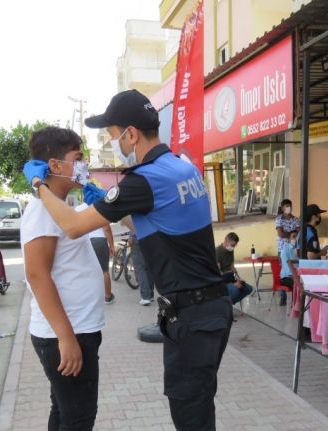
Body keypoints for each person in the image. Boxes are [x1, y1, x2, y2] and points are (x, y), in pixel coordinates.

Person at [23, 89, 232, 430]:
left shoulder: (143, 180)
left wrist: (38, 184)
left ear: (131, 134)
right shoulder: (181, 166)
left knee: (191, 415)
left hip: (192, 317)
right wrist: (110, 204)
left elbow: (74, 226)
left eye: (112, 134)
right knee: (199, 405)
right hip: (210, 311)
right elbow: (153, 220)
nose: (112, 141)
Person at [21, 127, 104, 430]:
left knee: (64, 412)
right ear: (55, 165)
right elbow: (36, 274)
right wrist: (66, 337)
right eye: (78, 159)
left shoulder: (60, 206)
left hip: (76, 329)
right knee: (79, 418)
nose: (84, 166)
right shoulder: (43, 210)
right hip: (67, 333)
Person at [75, 202, 116, 304]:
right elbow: (106, 228)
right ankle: (107, 296)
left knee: (86, 270)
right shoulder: (100, 206)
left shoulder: (79, 208)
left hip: (85, 241)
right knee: (104, 270)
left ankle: (88, 296)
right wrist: (111, 245)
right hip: (99, 241)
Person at [120, 216, 155, 306]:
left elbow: (131, 223)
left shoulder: (134, 207)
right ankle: (150, 294)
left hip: (138, 238)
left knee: (140, 268)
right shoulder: (147, 205)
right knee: (148, 266)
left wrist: (131, 235)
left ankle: (145, 297)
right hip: (151, 237)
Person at [216, 232, 253, 305]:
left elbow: (232, 266)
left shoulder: (230, 250)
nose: (233, 247)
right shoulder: (217, 251)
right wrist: (233, 284)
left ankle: (230, 303)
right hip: (222, 282)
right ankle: (225, 305)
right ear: (226, 241)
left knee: (248, 289)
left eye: (235, 245)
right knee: (235, 290)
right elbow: (218, 273)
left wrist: (238, 278)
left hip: (230, 278)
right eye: (233, 245)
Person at [278, 230, 299, 306]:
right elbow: (287, 266)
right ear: (289, 239)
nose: (296, 239)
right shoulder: (285, 250)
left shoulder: (300, 250)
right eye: (293, 237)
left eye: (297, 237)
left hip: (297, 275)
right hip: (287, 277)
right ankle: (295, 305)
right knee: (297, 284)